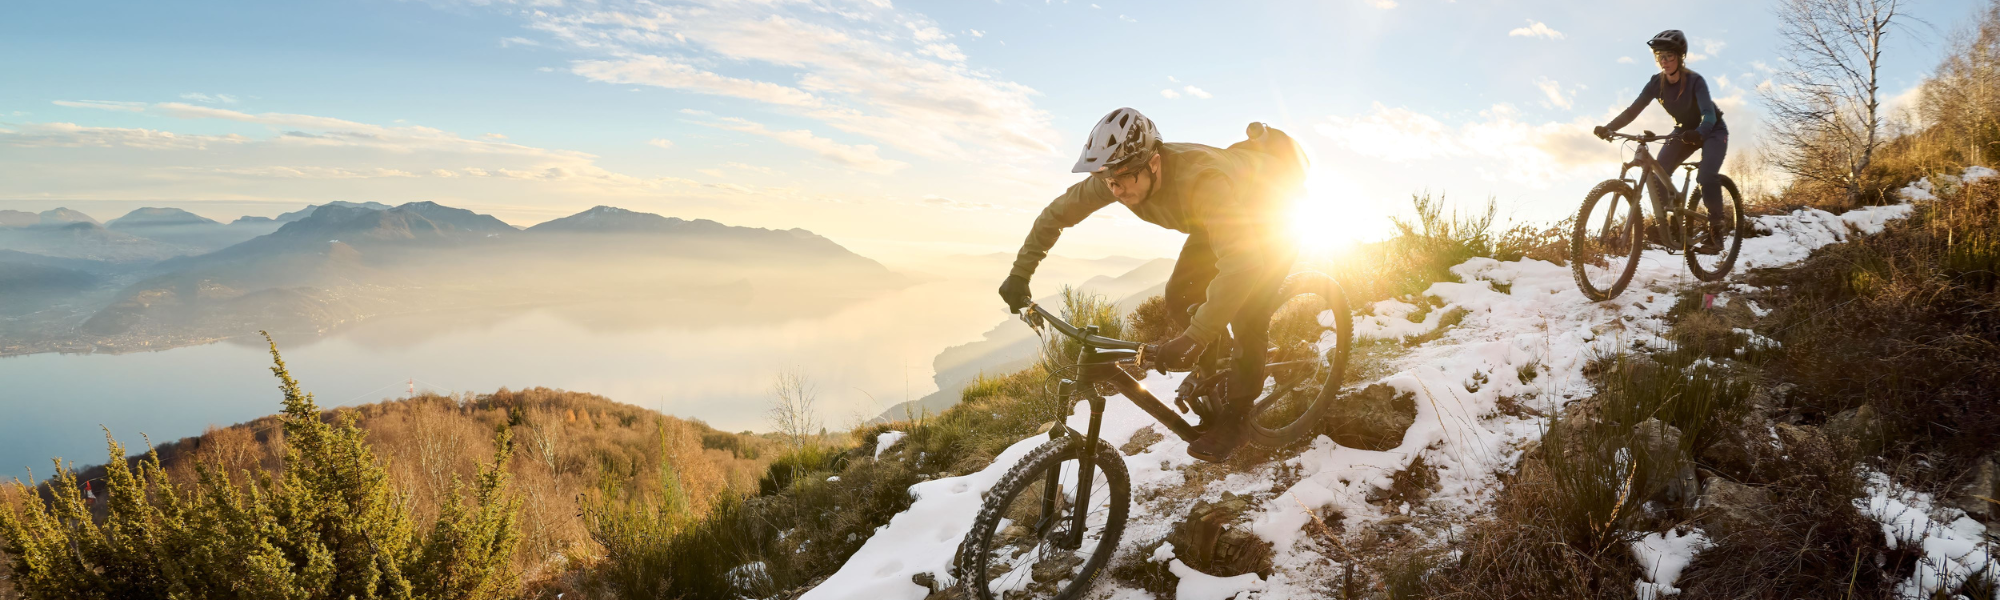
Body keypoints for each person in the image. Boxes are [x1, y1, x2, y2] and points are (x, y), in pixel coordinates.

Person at [996, 108, 1300, 463]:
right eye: (1108, 179)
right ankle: (1224, 369)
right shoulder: (1117, 174)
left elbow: (1243, 264)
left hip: (1271, 217)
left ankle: (1239, 416)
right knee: (1179, 296)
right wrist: (1021, 273)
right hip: (1218, 223)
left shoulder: (1202, 181)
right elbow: (1056, 215)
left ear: (1153, 164)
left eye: (1124, 178)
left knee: (1249, 309)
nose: (1116, 189)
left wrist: (1194, 337)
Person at [1594, 29, 1731, 254]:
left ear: (1680, 57)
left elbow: (1709, 113)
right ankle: (1673, 226)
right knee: (1658, 174)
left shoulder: (1695, 81)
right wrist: (1610, 128)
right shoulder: (1656, 83)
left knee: (1706, 176)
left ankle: (1716, 231)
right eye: (1660, 57)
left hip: (1713, 130)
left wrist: (1700, 132)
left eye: (1669, 56)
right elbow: (1633, 110)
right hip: (1683, 131)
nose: (1664, 61)